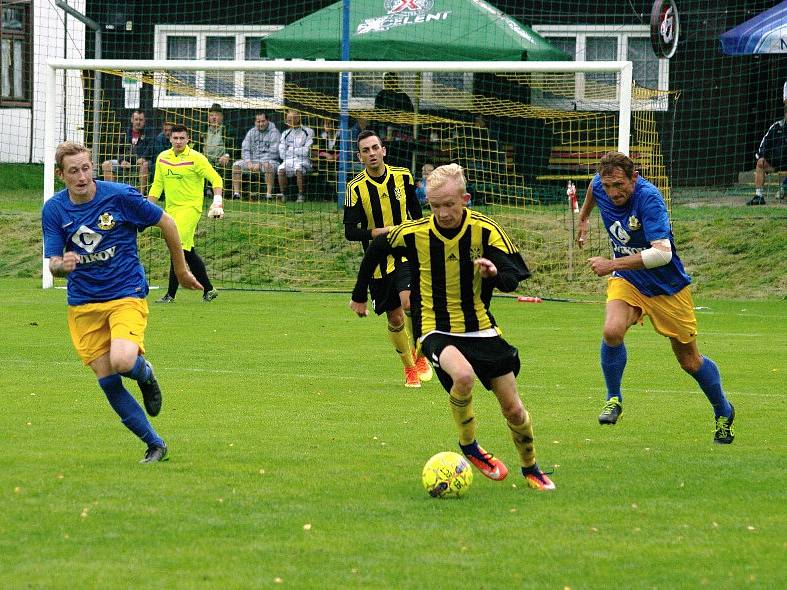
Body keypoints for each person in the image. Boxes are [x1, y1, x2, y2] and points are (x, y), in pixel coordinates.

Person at [349, 163, 555, 490]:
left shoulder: (485, 230)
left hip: (480, 327)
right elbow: (376, 248)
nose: (443, 213)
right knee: (462, 375)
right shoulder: (415, 232)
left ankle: (531, 468)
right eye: (435, 206)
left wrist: (494, 275)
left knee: (514, 410)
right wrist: (360, 295)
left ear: (465, 199)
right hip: (434, 326)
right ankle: (469, 444)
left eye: (449, 205)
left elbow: (514, 277)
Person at [42, 141, 203, 463]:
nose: (82, 176)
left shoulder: (119, 196)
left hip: (125, 295)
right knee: (109, 380)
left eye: (86, 168)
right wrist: (62, 266)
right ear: (62, 175)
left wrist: (182, 270)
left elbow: (167, 223)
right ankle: (155, 444)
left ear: (93, 167)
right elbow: (54, 263)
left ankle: (146, 374)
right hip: (83, 305)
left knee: (123, 361)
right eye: (73, 171)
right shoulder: (54, 209)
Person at [576, 152, 735, 444]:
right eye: (608, 185)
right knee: (612, 331)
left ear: (634, 178)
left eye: (619, 185)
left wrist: (611, 264)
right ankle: (614, 399)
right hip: (630, 281)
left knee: (690, 362)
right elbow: (592, 188)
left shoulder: (649, 199)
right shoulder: (600, 186)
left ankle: (723, 410)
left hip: (668, 288)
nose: (613, 192)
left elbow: (662, 254)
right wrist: (584, 217)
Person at [345, 129, 432, 388]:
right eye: (365, 150)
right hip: (378, 260)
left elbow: (416, 216)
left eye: (375, 148)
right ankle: (409, 366)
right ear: (360, 157)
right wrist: (377, 232)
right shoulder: (355, 188)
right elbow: (350, 232)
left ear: (383, 150)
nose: (371, 153)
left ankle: (420, 353)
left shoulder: (403, 176)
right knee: (394, 318)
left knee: (408, 303)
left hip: (406, 252)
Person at [148, 124, 224, 303]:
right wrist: (146, 207)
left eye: (182, 138)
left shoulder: (196, 158)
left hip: (190, 209)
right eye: (175, 138)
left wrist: (217, 201)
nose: (179, 141)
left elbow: (216, 178)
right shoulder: (163, 158)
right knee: (187, 253)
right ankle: (209, 289)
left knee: (178, 248)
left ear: (188, 139)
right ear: (170, 139)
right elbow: (157, 185)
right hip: (171, 210)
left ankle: (170, 295)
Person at [101, 109, 154, 195]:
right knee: (106, 164)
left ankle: (140, 195)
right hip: (125, 162)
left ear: (144, 121)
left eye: (141, 120)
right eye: (136, 119)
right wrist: (122, 160)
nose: (138, 122)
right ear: (132, 120)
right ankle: (111, 194)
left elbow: (150, 149)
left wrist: (143, 158)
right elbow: (118, 150)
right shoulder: (124, 133)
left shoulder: (149, 134)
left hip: (140, 162)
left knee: (144, 165)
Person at [231, 111, 280, 200]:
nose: (261, 124)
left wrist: (260, 164)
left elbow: (274, 153)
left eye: (263, 121)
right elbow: (245, 149)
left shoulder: (274, 132)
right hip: (253, 162)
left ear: (267, 120)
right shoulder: (251, 132)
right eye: (258, 121)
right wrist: (249, 162)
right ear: (255, 122)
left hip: (270, 162)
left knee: (268, 166)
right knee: (236, 165)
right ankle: (236, 194)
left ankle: (268, 195)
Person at [750, 106, 787, 205]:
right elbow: (765, 143)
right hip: (776, 163)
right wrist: (761, 156)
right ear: (785, 114)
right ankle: (759, 196)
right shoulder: (776, 127)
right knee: (760, 163)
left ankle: (783, 188)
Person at [277, 110, 314, 203]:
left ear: (297, 119)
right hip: (288, 160)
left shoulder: (308, 131)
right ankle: (283, 194)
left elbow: (306, 152)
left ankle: (301, 195)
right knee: (281, 169)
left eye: (289, 120)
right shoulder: (285, 133)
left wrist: (290, 149)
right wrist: (298, 150)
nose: (287, 122)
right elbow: (282, 154)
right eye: (287, 119)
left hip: (303, 160)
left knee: (298, 168)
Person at [201, 103, 233, 171]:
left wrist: (227, 155)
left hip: (221, 162)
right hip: (206, 162)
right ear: (208, 117)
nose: (214, 118)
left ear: (222, 117)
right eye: (211, 115)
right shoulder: (204, 129)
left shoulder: (226, 129)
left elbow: (233, 146)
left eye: (217, 115)